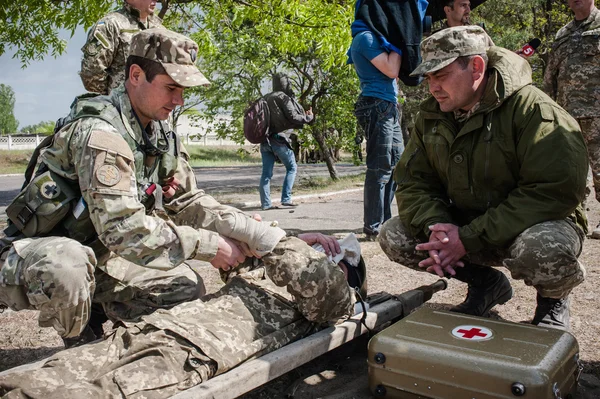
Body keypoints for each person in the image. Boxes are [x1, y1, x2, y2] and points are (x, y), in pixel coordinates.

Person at [0, 28, 289, 348]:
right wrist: (212, 246)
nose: (179, 100)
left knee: (183, 286)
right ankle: (78, 340)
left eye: (183, 89)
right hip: (32, 258)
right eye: (171, 87)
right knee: (68, 264)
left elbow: (188, 201)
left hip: (99, 254)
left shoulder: (158, 138)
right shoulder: (100, 134)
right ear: (136, 75)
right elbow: (123, 230)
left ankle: (97, 306)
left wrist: (243, 228)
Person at [378, 26, 588, 331]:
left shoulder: (534, 111)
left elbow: (552, 193)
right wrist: (436, 227)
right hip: (473, 226)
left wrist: (468, 237)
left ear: (476, 67)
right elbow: (414, 182)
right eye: (429, 78)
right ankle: (487, 284)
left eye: (441, 75)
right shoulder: (432, 116)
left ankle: (553, 300)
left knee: (541, 249)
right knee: (395, 235)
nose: (432, 87)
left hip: (537, 224)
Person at [0, 233, 361, 399]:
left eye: (334, 255)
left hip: (192, 352)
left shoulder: (336, 299)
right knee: (55, 370)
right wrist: (293, 238)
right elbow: (249, 256)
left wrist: (283, 240)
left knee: (98, 393)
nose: (325, 252)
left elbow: (308, 274)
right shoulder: (266, 276)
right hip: (157, 327)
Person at [544, 0, 600, 239]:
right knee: (572, 169)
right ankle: (577, 220)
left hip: (597, 112)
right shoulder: (563, 33)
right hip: (568, 115)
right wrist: (547, 108)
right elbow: (551, 75)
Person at [349, 12, 405, 239]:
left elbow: (395, 74)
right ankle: (373, 226)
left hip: (388, 106)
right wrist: (401, 40)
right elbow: (392, 70)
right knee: (379, 168)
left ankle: (384, 220)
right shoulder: (365, 38)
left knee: (398, 164)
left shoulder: (379, 41)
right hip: (375, 105)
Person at [80, 0, 163, 94]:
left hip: (153, 105)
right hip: (119, 106)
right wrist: (112, 102)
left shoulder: (160, 30)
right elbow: (91, 74)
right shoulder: (110, 24)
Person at [259, 73, 314, 211]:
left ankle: (266, 204)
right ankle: (286, 199)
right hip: (279, 140)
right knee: (292, 168)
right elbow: (293, 117)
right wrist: (308, 118)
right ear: (286, 83)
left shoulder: (264, 98)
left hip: (265, 141)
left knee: (266, 174)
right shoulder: (283, 97)